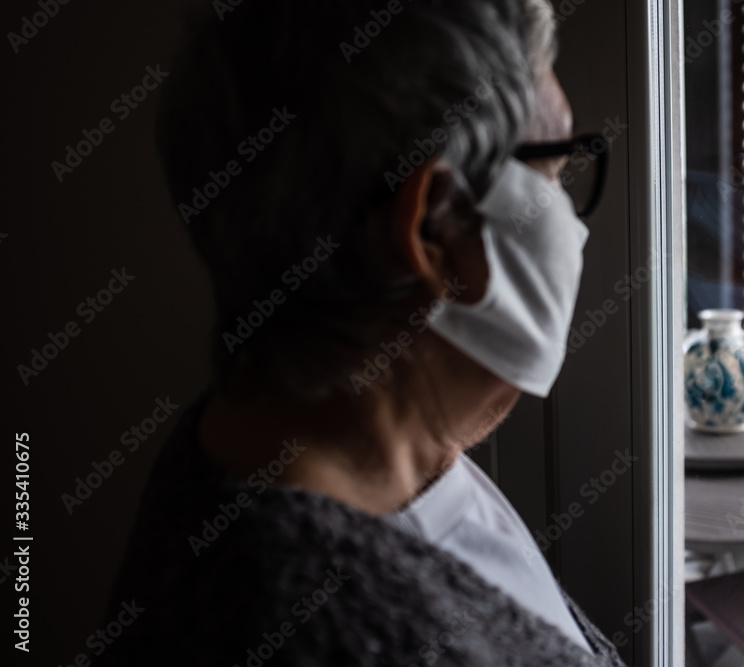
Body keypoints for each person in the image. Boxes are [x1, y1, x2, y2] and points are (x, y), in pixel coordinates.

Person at [103, 0, 624, 664]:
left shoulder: (346, 442)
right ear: (431, 230)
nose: (573, 214)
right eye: (555, 169)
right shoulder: (316, 626)